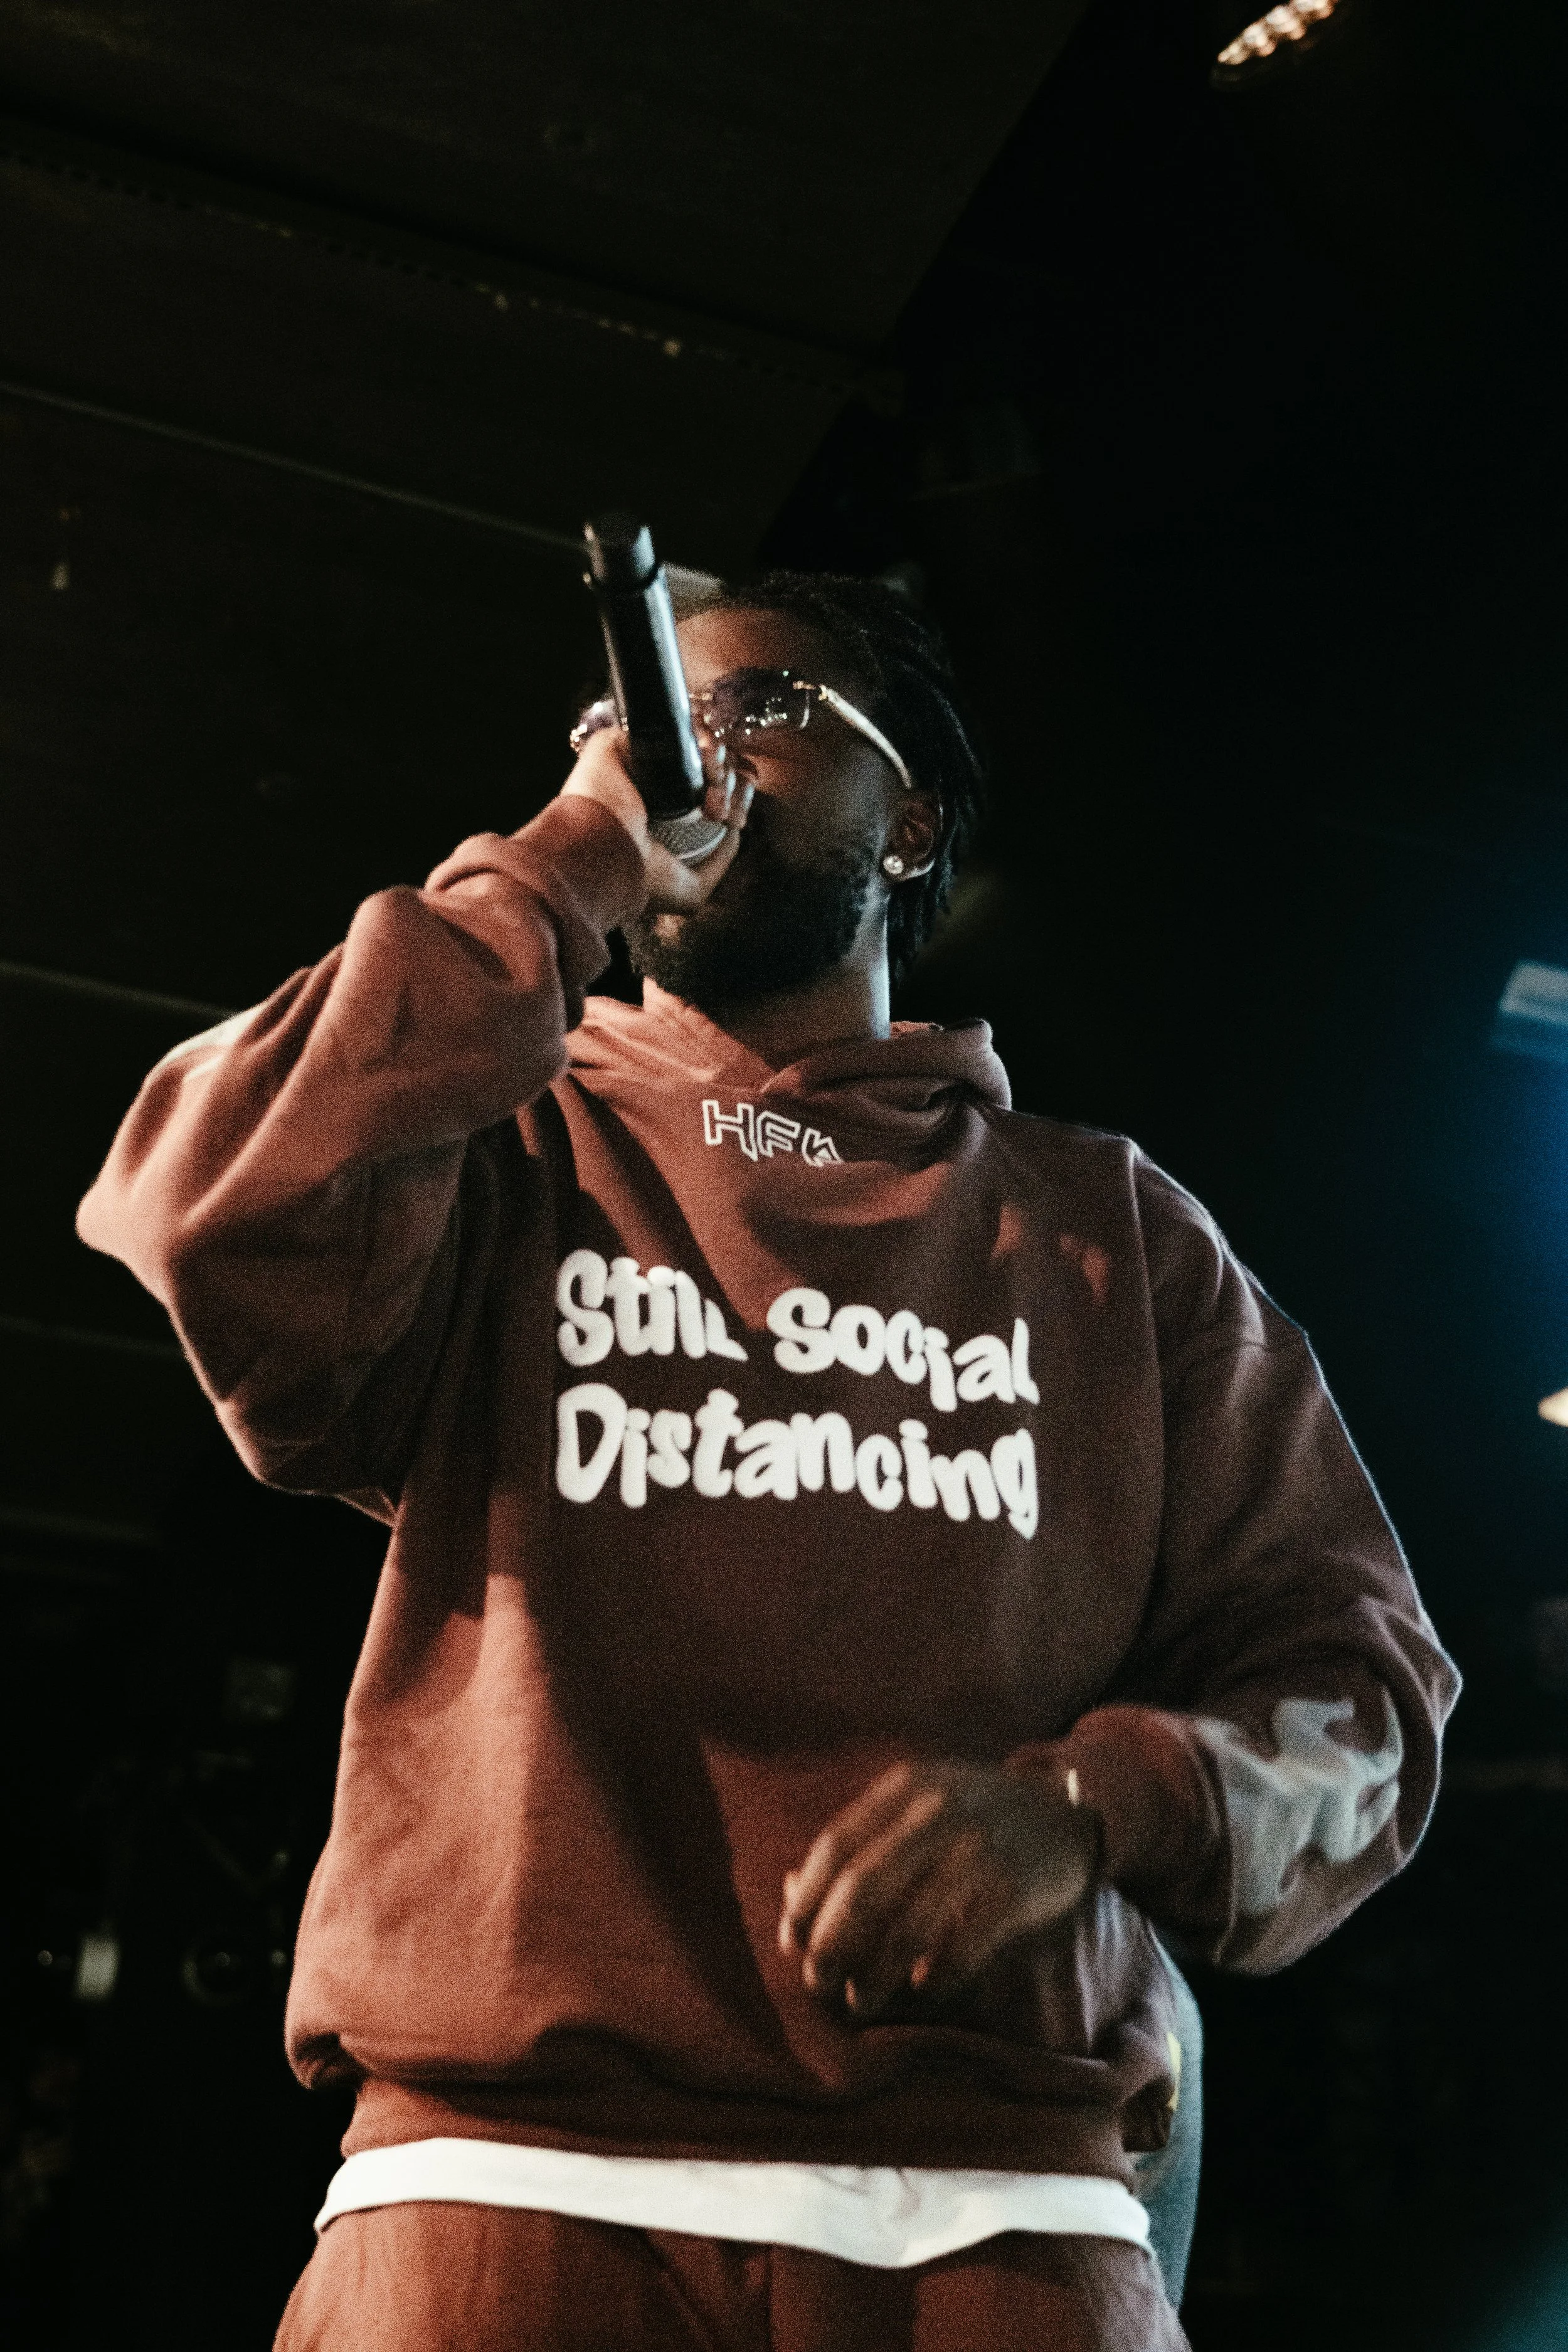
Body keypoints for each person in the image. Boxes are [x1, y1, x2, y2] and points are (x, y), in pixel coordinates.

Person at [78, 573, 1459, 2352]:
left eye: (766, 707)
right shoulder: (493, 1144)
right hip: (507, 2174)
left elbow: (1362, 1695)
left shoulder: (1111, 1230)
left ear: (917, 824)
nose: (678, 745)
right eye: (631, 717)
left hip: (994, 2203)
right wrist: (552, 872)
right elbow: (207, 1191)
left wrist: (1087, 1805)